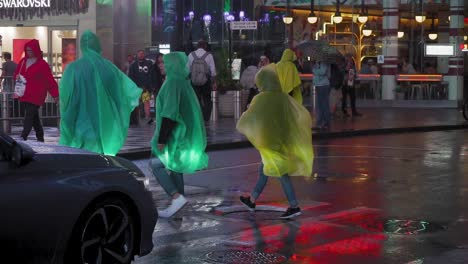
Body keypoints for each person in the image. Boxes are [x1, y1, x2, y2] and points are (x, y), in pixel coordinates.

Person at [237, 63, 313, 219]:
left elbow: (248, 119)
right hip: (282, 141)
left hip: (269, 142)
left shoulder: (261, 98)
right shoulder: (284, 98)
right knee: (264, 169)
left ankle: (294, 205)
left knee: (281, 173)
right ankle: (252, 199)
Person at [58, 30, 142, 156]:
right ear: (97, 46)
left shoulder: (73, 69)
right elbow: (121, 98)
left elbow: (68, 102)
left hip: (80, 130)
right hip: (106, 131)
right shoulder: (109, 68)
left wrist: (66, 135)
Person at [151, 52, 208, 218]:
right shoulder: (183, 83)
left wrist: (162, 139)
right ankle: (179, 204)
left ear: (172, 64)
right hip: (182, 136)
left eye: (164, 63)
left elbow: (169, 113)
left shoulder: (172, 83)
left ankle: (176, 197)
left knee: (156, 166)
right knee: (175, 169)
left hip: (173, 136)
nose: (161, 65)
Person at [13, 39, 58, 142]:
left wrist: (55, 94)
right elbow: (16, 74)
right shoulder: (23, 61)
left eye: (30, 50)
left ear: (36, 50)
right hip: (24, 93)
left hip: (37, 94)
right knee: (34, 117)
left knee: (29, 115)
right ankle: (40, 136)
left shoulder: (42, 64)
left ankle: (23, 136)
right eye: (27, 50)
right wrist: (17, 76)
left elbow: (49, 80)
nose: (28, 52)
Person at [188, 40, 217, 122]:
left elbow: (187, 69)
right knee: (207, 99)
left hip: (194, 81)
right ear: (205, 46)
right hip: (206, 81)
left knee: (196, 99)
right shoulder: (209, 55)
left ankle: (197, 117)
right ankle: (206, 118)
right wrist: (214, 82)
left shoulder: (191, 55)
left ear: (197, 46)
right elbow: (213, 71)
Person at [129, 49, 156, 125]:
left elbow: (152, 74)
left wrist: (152, 85)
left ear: (144, 55)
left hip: (146, 87)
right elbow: (131, 76)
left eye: (142, 53)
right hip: (137, 87)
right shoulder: (133, 65)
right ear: (137, 55)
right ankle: (136, 118)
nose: (141, 55)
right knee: (137, 103)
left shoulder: (149, 63)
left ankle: (148, 117)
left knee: (146, 102)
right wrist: (134, 87)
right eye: (140, 54)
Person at [313, 59, 331, 130]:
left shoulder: (324, 62)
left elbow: (322, 72)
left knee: (324, 104)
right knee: (320, 105)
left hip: (323, 85)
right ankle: (320, 122)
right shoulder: (318, 63)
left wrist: (314, 70)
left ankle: (325, 122)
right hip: (318, 85)